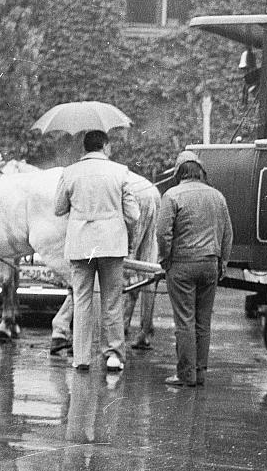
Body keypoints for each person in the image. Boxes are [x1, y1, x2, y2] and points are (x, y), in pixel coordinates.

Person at [54, 130, 140, 373]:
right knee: (111, 299)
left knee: (82, 299)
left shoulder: (69, 173)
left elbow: (58, 208)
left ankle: (81, 357)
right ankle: (112, 354)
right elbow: (133, 215)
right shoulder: (120, 172)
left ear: (85, 148)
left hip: (81, 246)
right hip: (112, 245)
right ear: (105, 146)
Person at [157, 149, 233, 388]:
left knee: (185, 321)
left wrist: (165, 258)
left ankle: (185, 375)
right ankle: (200, 373)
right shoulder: (217, 196)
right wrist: (223, 262)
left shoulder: (172, 195)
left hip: (182, 265)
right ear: (201, 172)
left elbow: (162, 232)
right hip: (210, 264)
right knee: (203, 321)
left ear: (179, 173)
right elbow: (228, 233)